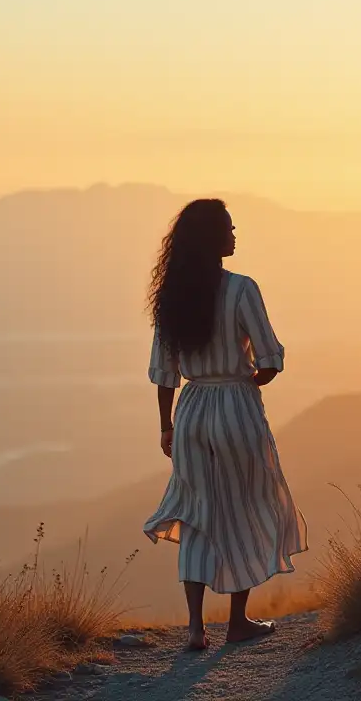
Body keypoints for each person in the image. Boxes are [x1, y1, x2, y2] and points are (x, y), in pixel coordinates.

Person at [141, 199, 307, 651]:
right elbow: (270, 360)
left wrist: (165, 427)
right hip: (236, 406)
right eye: (230, 229)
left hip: (190, 411)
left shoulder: (172, 298)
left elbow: (164, 372)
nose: (235, 235)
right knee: (247, 510)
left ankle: (195, 628)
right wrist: (244, 380)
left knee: (196, 514)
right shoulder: (241, 289)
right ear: (213, 239)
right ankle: (237, 622)